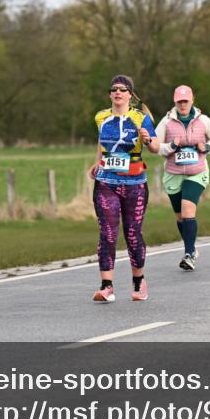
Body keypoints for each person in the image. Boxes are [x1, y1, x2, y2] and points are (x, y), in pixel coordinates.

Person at [89, 75, 160, 302]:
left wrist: (148, 140)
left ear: (130, 94)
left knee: (132, 234)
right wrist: (97, 161)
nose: (118, 93)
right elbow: (102, 142)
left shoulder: (141, 118)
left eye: (122, 89)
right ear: (110, 94)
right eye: (114, 89)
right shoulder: (101, 117)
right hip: (106, 182)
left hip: (134, 184)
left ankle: (139, 281)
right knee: (107, 233)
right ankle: (106, 286)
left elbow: (157, 148)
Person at [155, 85, 210, 270]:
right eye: (179, 102)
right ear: (175, 102)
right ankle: (191, 247)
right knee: (179, 217)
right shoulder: (167, 122)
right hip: (173, 173)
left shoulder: (203, 120)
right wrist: (170, 147)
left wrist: (207, 147)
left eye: (185, 101)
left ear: (192, 100)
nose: (183, 105)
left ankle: (189, 254)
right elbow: (155, 146)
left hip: (197, 172)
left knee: (187, 210)